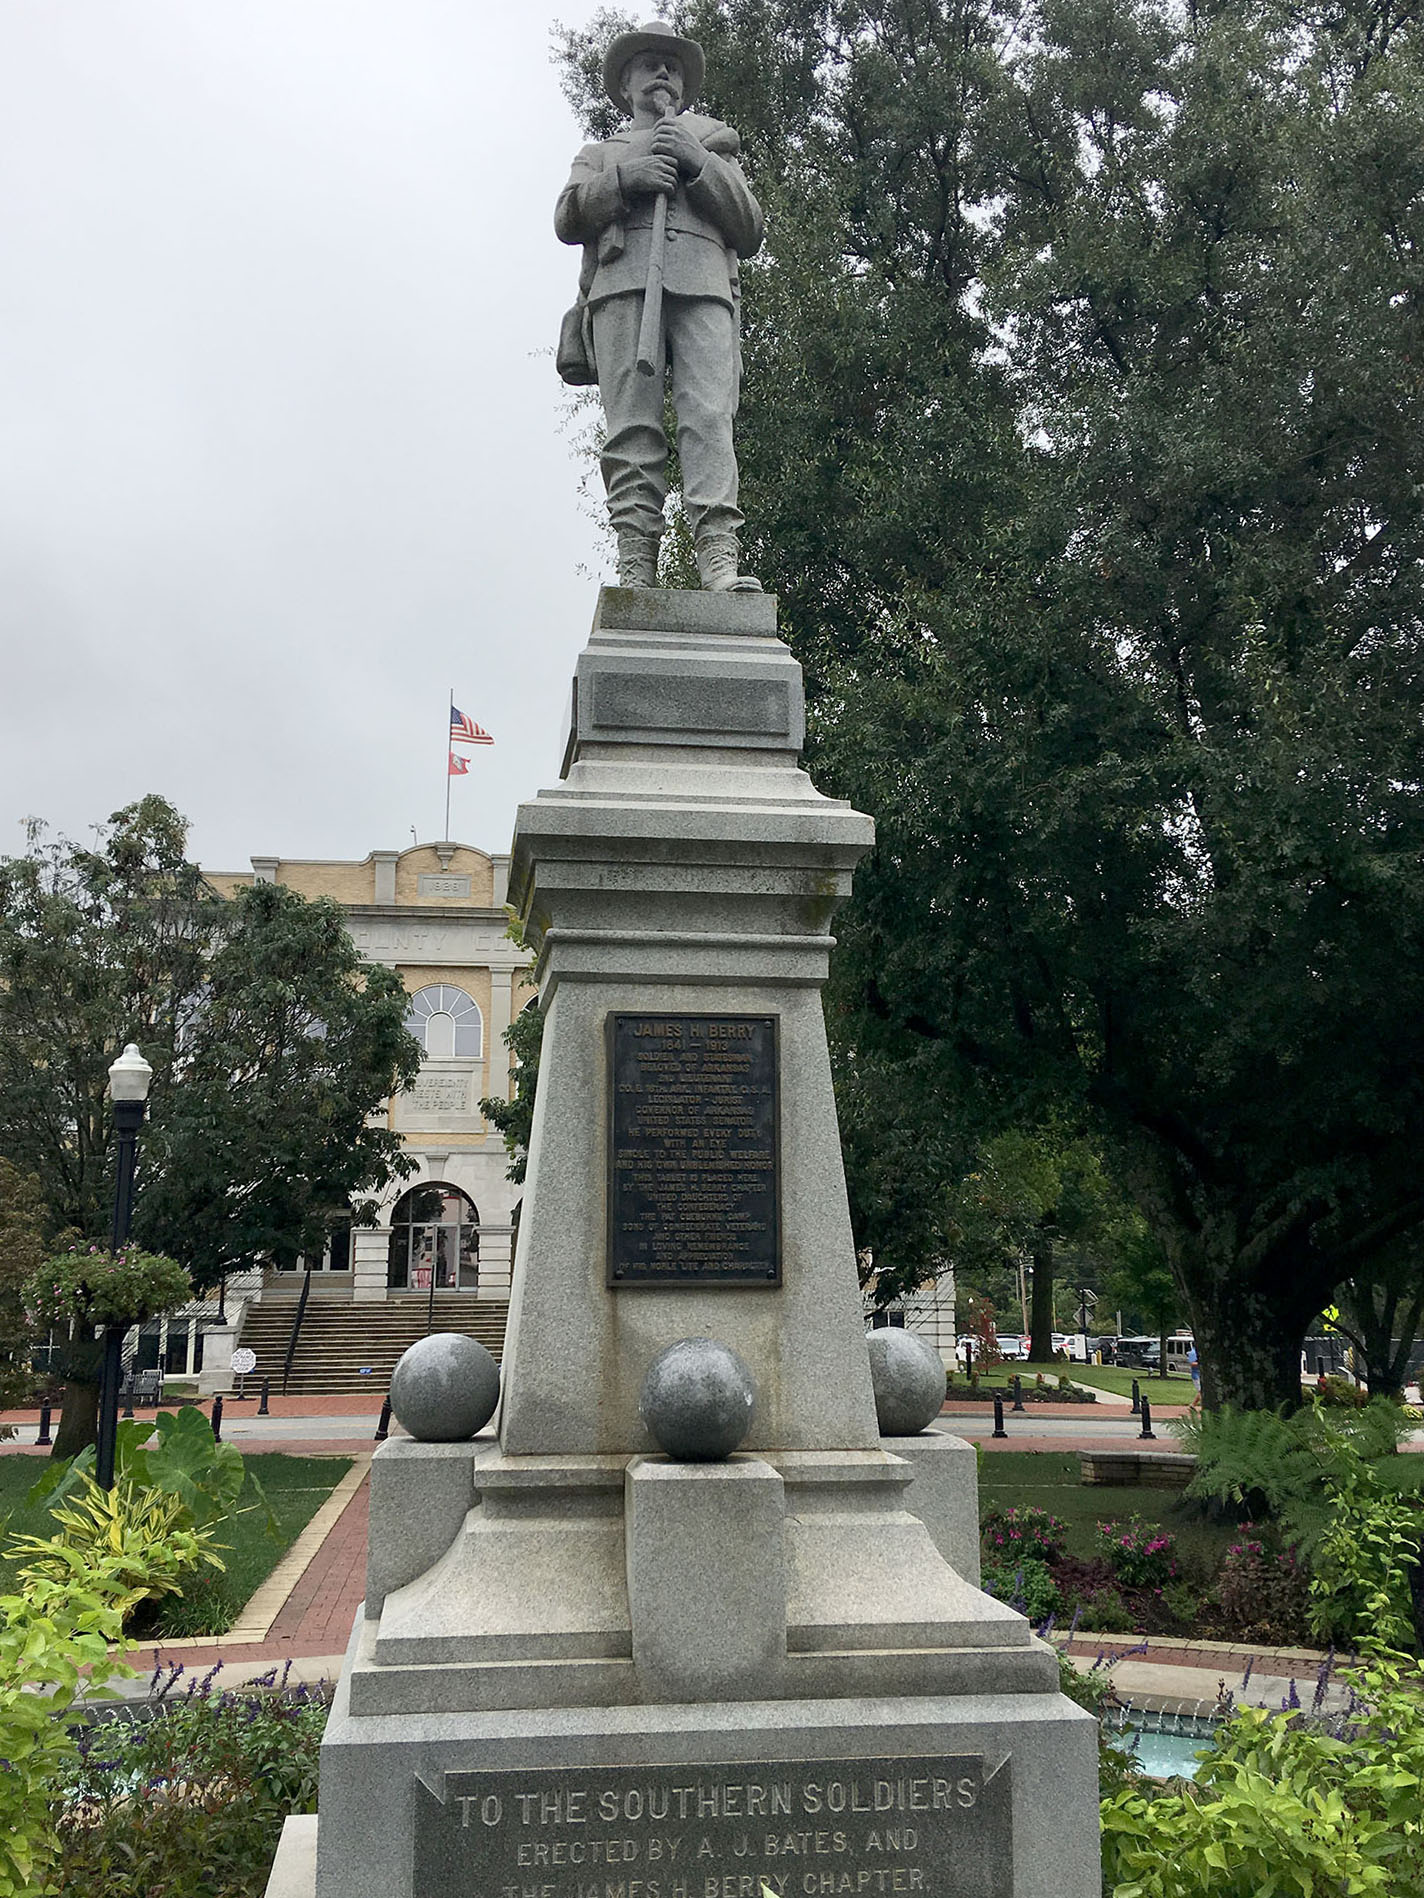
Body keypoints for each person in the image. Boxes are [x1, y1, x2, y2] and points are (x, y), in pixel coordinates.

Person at [556, 20, 764, 592]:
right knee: (631, 431)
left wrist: (696, 164)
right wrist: (626, 180)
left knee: (708, 422)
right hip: (621, 289)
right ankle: (636, 565)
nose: (664, 72)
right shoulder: (601, 154)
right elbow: (566, 217)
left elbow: (749, 226)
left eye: (672, 65)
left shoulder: (713, 140)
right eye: (650, 64)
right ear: (626, 85)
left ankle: (719, 560)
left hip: (703, 288)